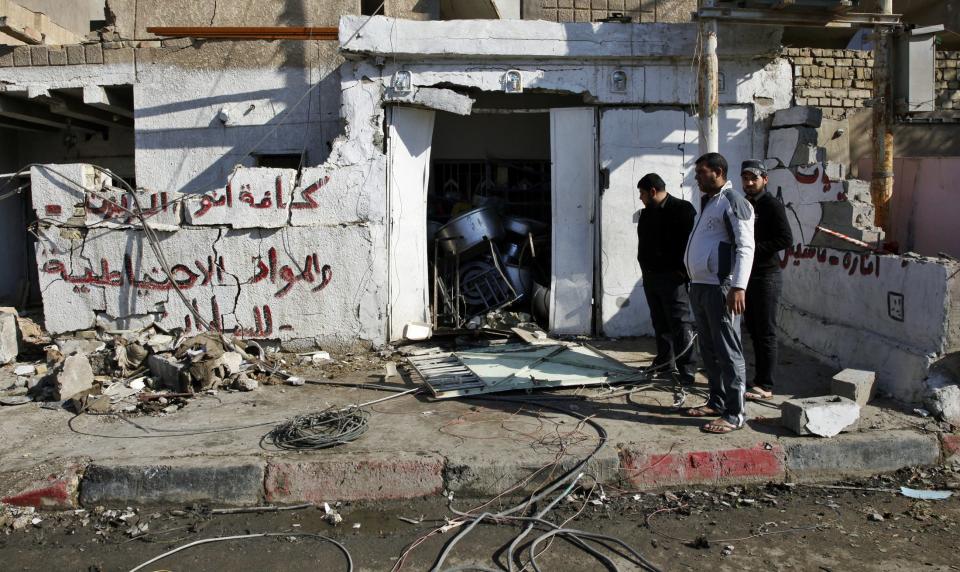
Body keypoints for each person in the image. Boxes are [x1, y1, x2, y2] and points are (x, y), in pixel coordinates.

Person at [683, 153, 755, 434]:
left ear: (718, 171)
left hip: (721, 287)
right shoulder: (710, 202)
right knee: (709, 349)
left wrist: (738, 286)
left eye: (701, 172)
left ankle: (735, 414)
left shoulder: (733, 201)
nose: (697, 177)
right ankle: (717, 401)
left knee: (728, 350)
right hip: (700, 286)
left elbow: (745, 246)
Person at [635, 173, 698, 385]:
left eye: (642, 193)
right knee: (660, 322)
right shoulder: (647, 213)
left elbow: (690, 243)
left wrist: (682, 271)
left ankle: (687, 370)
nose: (641, 198)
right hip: (651, 277)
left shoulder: (682, 209)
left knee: (680, 323)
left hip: (673, 279)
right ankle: (664, 363)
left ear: (653, 191)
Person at [740, 160, 793, 400]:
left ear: (765, 180)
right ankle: (758, 379)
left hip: (766, 276)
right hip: (748, 275)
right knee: (753, 328)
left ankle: (765, 385)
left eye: (754, 178)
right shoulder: (745, 205)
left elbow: (785, 239)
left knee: (766, 332)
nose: (750, 183)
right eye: (746, 178)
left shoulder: (772, 205)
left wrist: (752, 249)